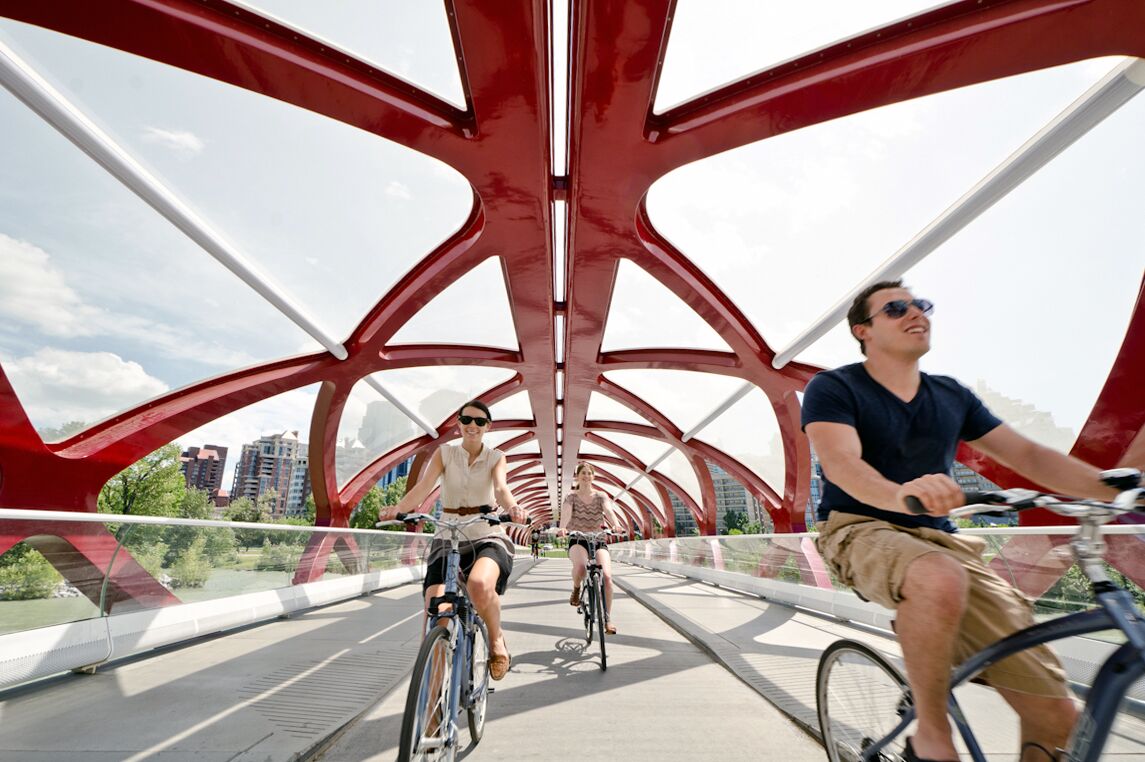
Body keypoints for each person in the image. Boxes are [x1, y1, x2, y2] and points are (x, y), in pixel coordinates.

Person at [802, 280, 1122, 762]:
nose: (917, 313)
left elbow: (1028, 454)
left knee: (1060, 720)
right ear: (862, 331)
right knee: (936, 576)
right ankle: (932, 736)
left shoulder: (950, 395)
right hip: (858, 527)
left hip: (940, 540)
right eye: (896, 308)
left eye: (921, 305)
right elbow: (841, 462)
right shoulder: (836, 387)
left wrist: (1112, 488)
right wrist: (900, 493)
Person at [393, 399, 524, 681]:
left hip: (485, 532)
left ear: (487, 427)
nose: (472, 426)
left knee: (478, 584)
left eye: (479, 421)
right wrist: (399, 510)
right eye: (466, 420)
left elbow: (501, 489)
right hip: (448, 533)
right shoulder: (445, 453)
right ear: (459, 424)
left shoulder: (496, 457)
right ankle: (431, 697)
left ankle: (497, 640)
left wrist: (512, 507)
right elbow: (424, 486)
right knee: (435, 605)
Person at [558, 462, 620, 634]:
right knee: (580, 568)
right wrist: (563, 528)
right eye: (583, 473)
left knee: (607, 577)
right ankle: (577, 588)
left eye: (589, 473)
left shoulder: (601, 496)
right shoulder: (571, 497)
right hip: (578, 538)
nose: (586, 476)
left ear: (593, 476)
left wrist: (616, 525)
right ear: (577, 476)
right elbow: (567, 513)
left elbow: (608, 511)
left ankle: (607, 619)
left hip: (598, 539)